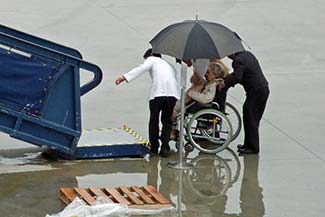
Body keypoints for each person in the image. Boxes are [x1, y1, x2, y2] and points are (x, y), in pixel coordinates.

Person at [115, 48, 180, 157]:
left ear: (150, 56)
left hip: (157, 94)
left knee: (154, 121)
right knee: (167, 121)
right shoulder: (170, 65)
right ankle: (164, 148)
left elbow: (141, 68)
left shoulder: (152, 59)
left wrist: (124, 77)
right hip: (172, 95)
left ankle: (154, 147)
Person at [224, 50, 269, 154]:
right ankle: (248, 144)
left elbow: (237, 77)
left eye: (227, 54)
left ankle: (253, 148)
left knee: (251, 118)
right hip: (261, 90)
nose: (227, 56)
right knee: (250, 117)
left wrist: (225, 82)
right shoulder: (247, 55)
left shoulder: (238, 61)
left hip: (256, 92)